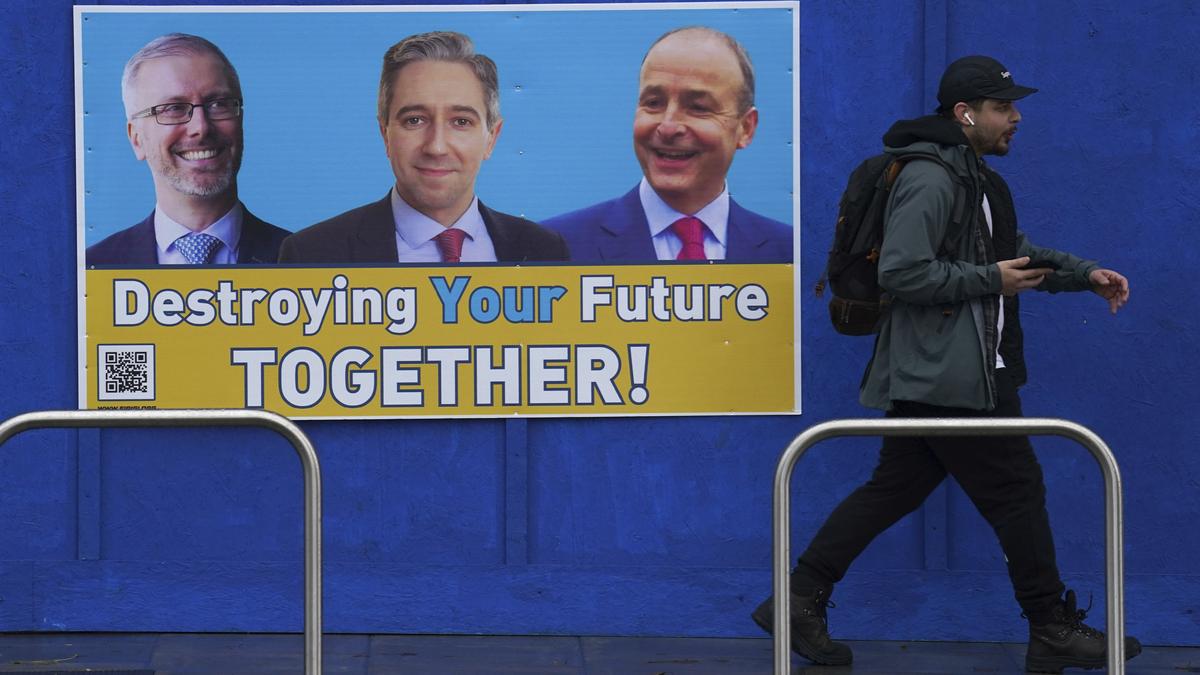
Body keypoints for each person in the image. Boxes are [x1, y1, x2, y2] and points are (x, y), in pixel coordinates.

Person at [752, 56, 1139, 673]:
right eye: (1002, 108)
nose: (1015, 118)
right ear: (965, 114)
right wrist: (989, 279)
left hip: (950, 369)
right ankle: (1049, 627)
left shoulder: (977, 179)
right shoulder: (932, 179)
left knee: (893, 489)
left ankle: (797, 601)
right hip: (950, 375)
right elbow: (901, 271)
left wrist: (1081, 275)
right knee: (1017, 490)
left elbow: (1012, 256)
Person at [278, 31, 566, 264]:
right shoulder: (312, 254)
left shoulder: (544, 250)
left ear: (491, 137)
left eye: (461, 121)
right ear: (385, 134)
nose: (437, 147)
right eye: (414, 120)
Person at [543, 26, 790, 263]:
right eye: (653, 102)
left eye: (698, 107)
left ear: (745, 128)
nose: (668, 126)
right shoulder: (555, 248)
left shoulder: (790, 251)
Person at [86, 33, 288, 266]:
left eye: (219, 104)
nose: (201, 127)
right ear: (136, 139)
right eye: (173, 108)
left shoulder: (305, 262)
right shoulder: (91, 270)